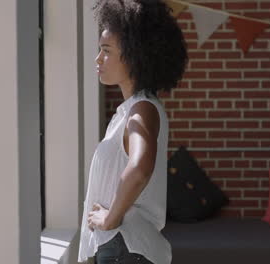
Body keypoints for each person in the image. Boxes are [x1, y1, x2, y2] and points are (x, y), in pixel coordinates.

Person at [78, 0, 188, 263]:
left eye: (106, 50)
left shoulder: (142, 110)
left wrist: (110, 217)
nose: (98, 58)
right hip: (122, 247)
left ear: (134, 56)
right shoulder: (131, 110)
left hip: (124, 246)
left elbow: (140, 169)